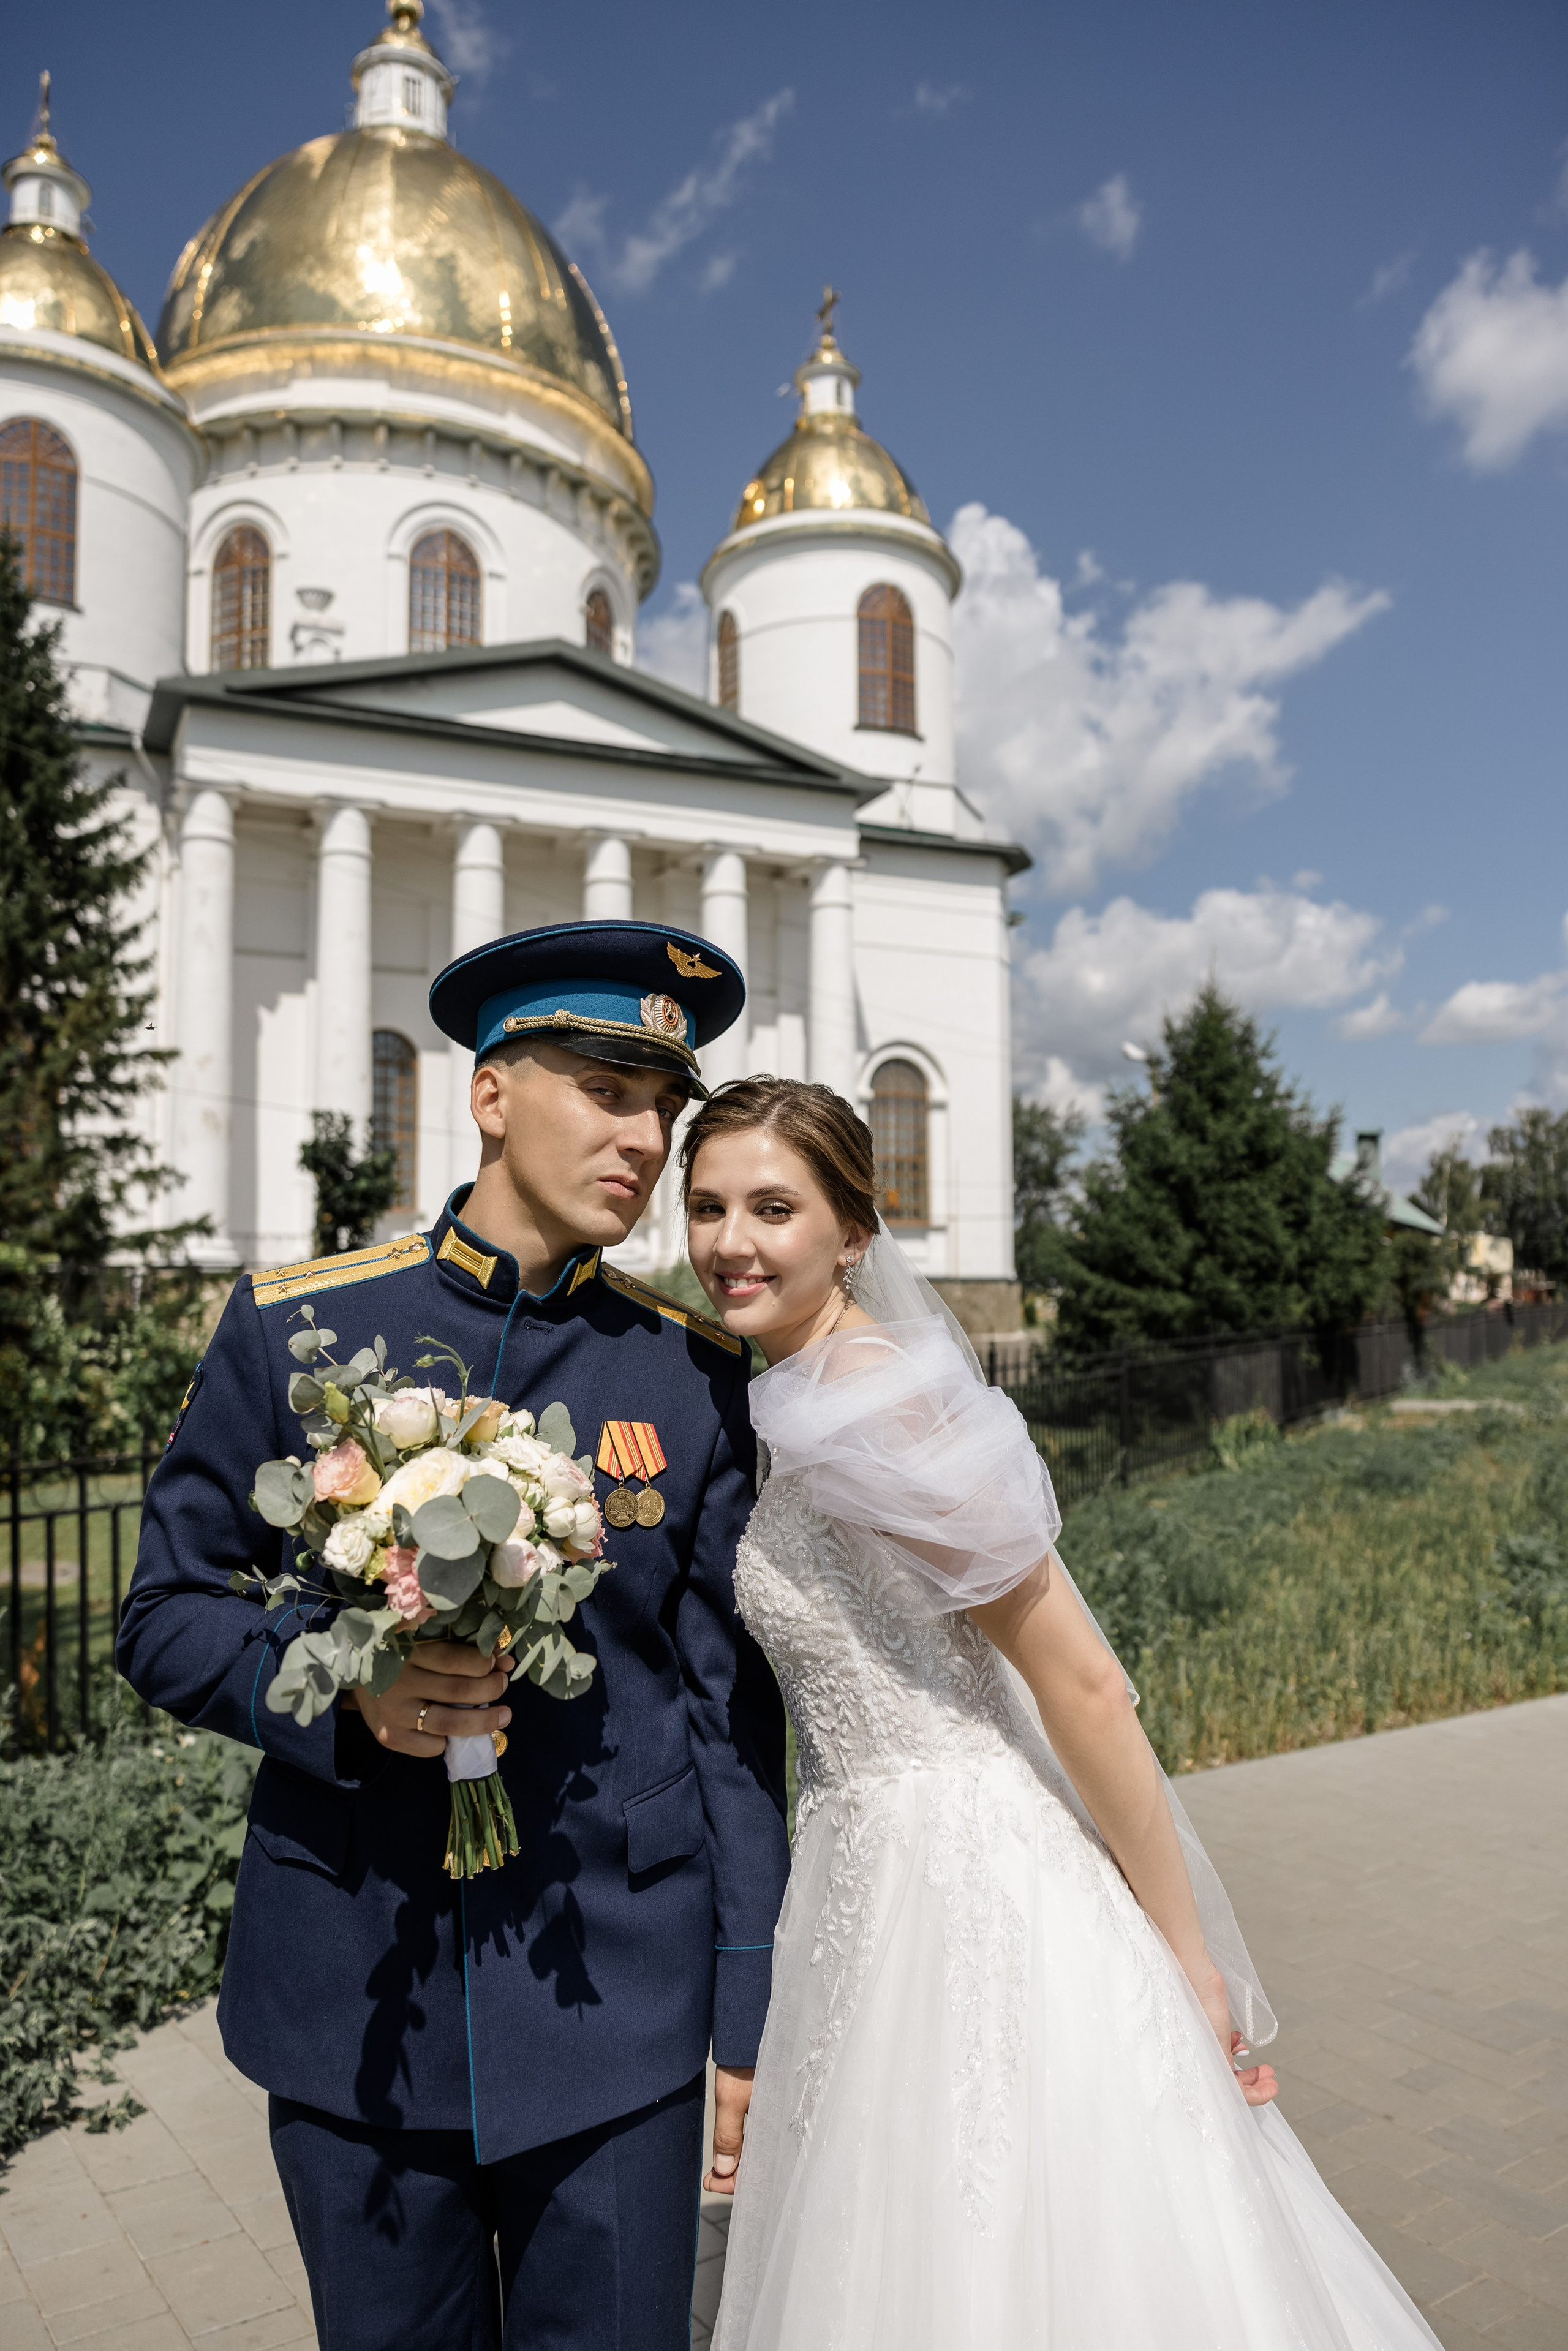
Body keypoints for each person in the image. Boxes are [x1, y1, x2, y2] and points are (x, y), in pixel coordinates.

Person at [680, 1075, 1442, 2351]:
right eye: (705, 1206)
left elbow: (1077, 1678)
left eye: (772, 1205)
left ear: (853, 1230)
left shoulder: (874, 1401)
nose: (728, 1241)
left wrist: (1188, 1955)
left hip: (972, 1869)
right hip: (861, 1868)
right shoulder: (790, 1391)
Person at [117, 923, 791, 2351]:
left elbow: (732, 1719)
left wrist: (747, 2002)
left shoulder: (690, 1374)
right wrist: (338, 1695)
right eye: (607, 1089)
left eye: (663, 1106)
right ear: (491, 1093)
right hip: (356, 1992)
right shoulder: (296, 1331)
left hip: (621, 1995)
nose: (645, 1136)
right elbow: (166, 1610)